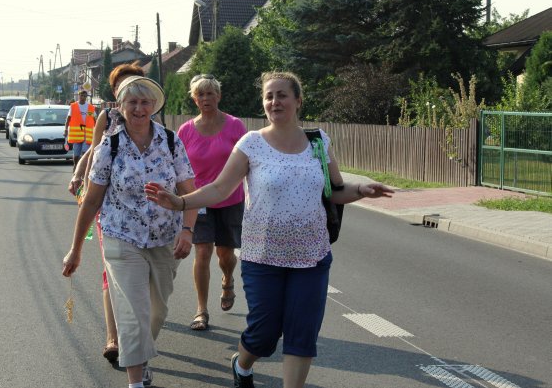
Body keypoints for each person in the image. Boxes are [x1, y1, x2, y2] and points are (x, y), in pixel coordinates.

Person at [145, 71, 394, 388]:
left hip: (312, 257)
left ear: (298, 100)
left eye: (282, 95)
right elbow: (221, 188)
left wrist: (361, 190)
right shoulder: (252, 144)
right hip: (263, 257)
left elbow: (335, 191)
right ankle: (243, 364)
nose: (275, 101)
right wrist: (180, 202)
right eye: (269, 96)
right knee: (263, 335)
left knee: (302, 335)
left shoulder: (318, 142)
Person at [62, 75, 198, 388]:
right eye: (132, 102)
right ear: (121, 107)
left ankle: (140, 355)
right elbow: (92, 199)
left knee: (157, 310)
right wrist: (76, 248)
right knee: (133, 310)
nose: (139, 108)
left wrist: (188, 230)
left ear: (153, 106)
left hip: (165, 238)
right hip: (121, 236)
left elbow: (189, 190)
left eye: (144, 102)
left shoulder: (171, 141)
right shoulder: (109, 147)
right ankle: (136, 380)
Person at [67, 62, 145, 363]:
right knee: (110, 270)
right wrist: (80, 177)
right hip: (109, 208)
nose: (132, 91)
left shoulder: (153, 122)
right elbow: (95, 150)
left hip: (145, 212)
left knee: (143, 274)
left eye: (137, 83)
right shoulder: (108, 117)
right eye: (124, 86)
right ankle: (113, 338)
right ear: (116, 92)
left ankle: (138, 325)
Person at [177, 74, 246, 331]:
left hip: (230, 199)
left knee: (225, 254)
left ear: (218, 96)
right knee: (202, 251)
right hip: (199, 200)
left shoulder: (235, 126)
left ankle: (228, 279)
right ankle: (201, 310)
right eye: (200, 95)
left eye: (210, 94)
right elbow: (178, 166)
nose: (206, 98)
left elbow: (248, 160)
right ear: (195, 99)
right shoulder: (185, 130)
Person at [64, 89, 96, 171]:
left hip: (87, 134)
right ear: (78, 96)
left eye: (85, 96)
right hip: (77, 134)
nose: (83, 97)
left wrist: (97, 130)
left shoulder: (90, 107)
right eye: (81, 95)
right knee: (76, 154)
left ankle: (82, 170)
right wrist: (65, 129)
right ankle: (75, 166)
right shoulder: (73, 106)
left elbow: (94, 119)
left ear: (86, 97)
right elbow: (68, 119)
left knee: (84, 153)